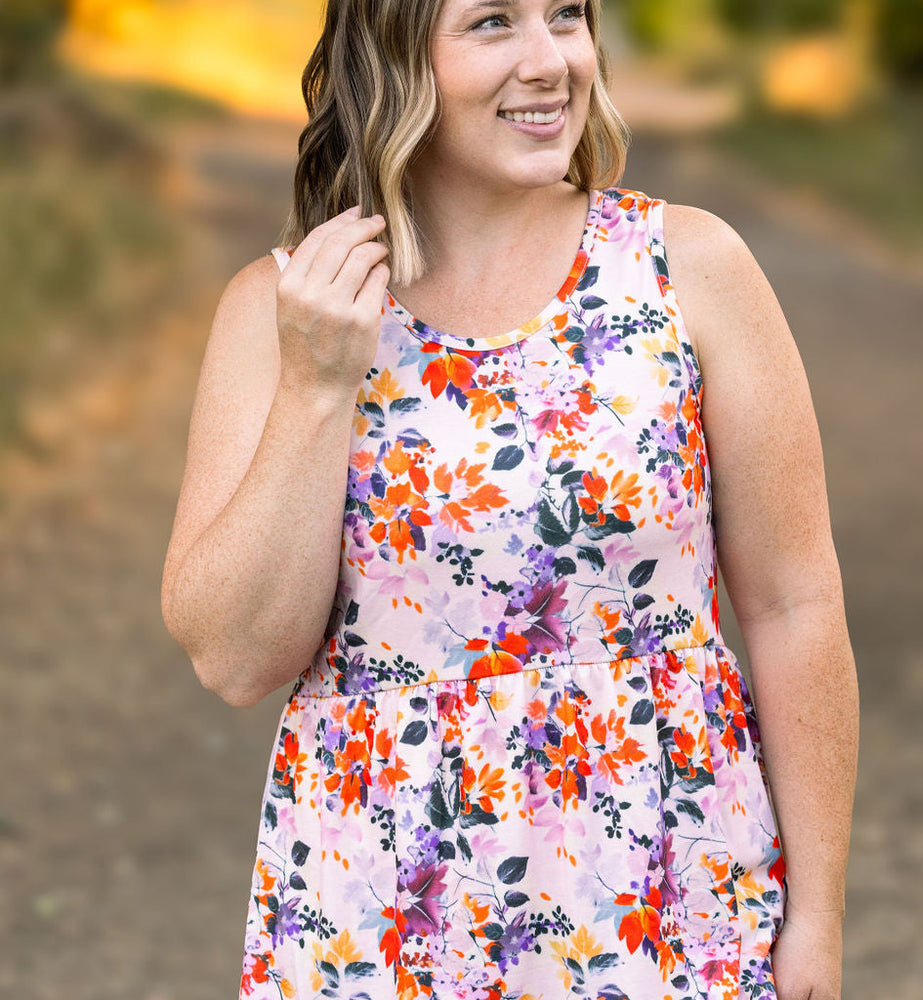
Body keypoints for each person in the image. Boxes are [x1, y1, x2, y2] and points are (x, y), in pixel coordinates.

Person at [161, 0, 859, 997]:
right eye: (492, 23)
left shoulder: (687, 269)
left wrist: (817, 917)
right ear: (395, 60)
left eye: (565, 16)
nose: (549, 61)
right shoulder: (284, 311)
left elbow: (797, 603)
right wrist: (318, 385)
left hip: (669, 893)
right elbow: (232, 658)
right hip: (385, 912)